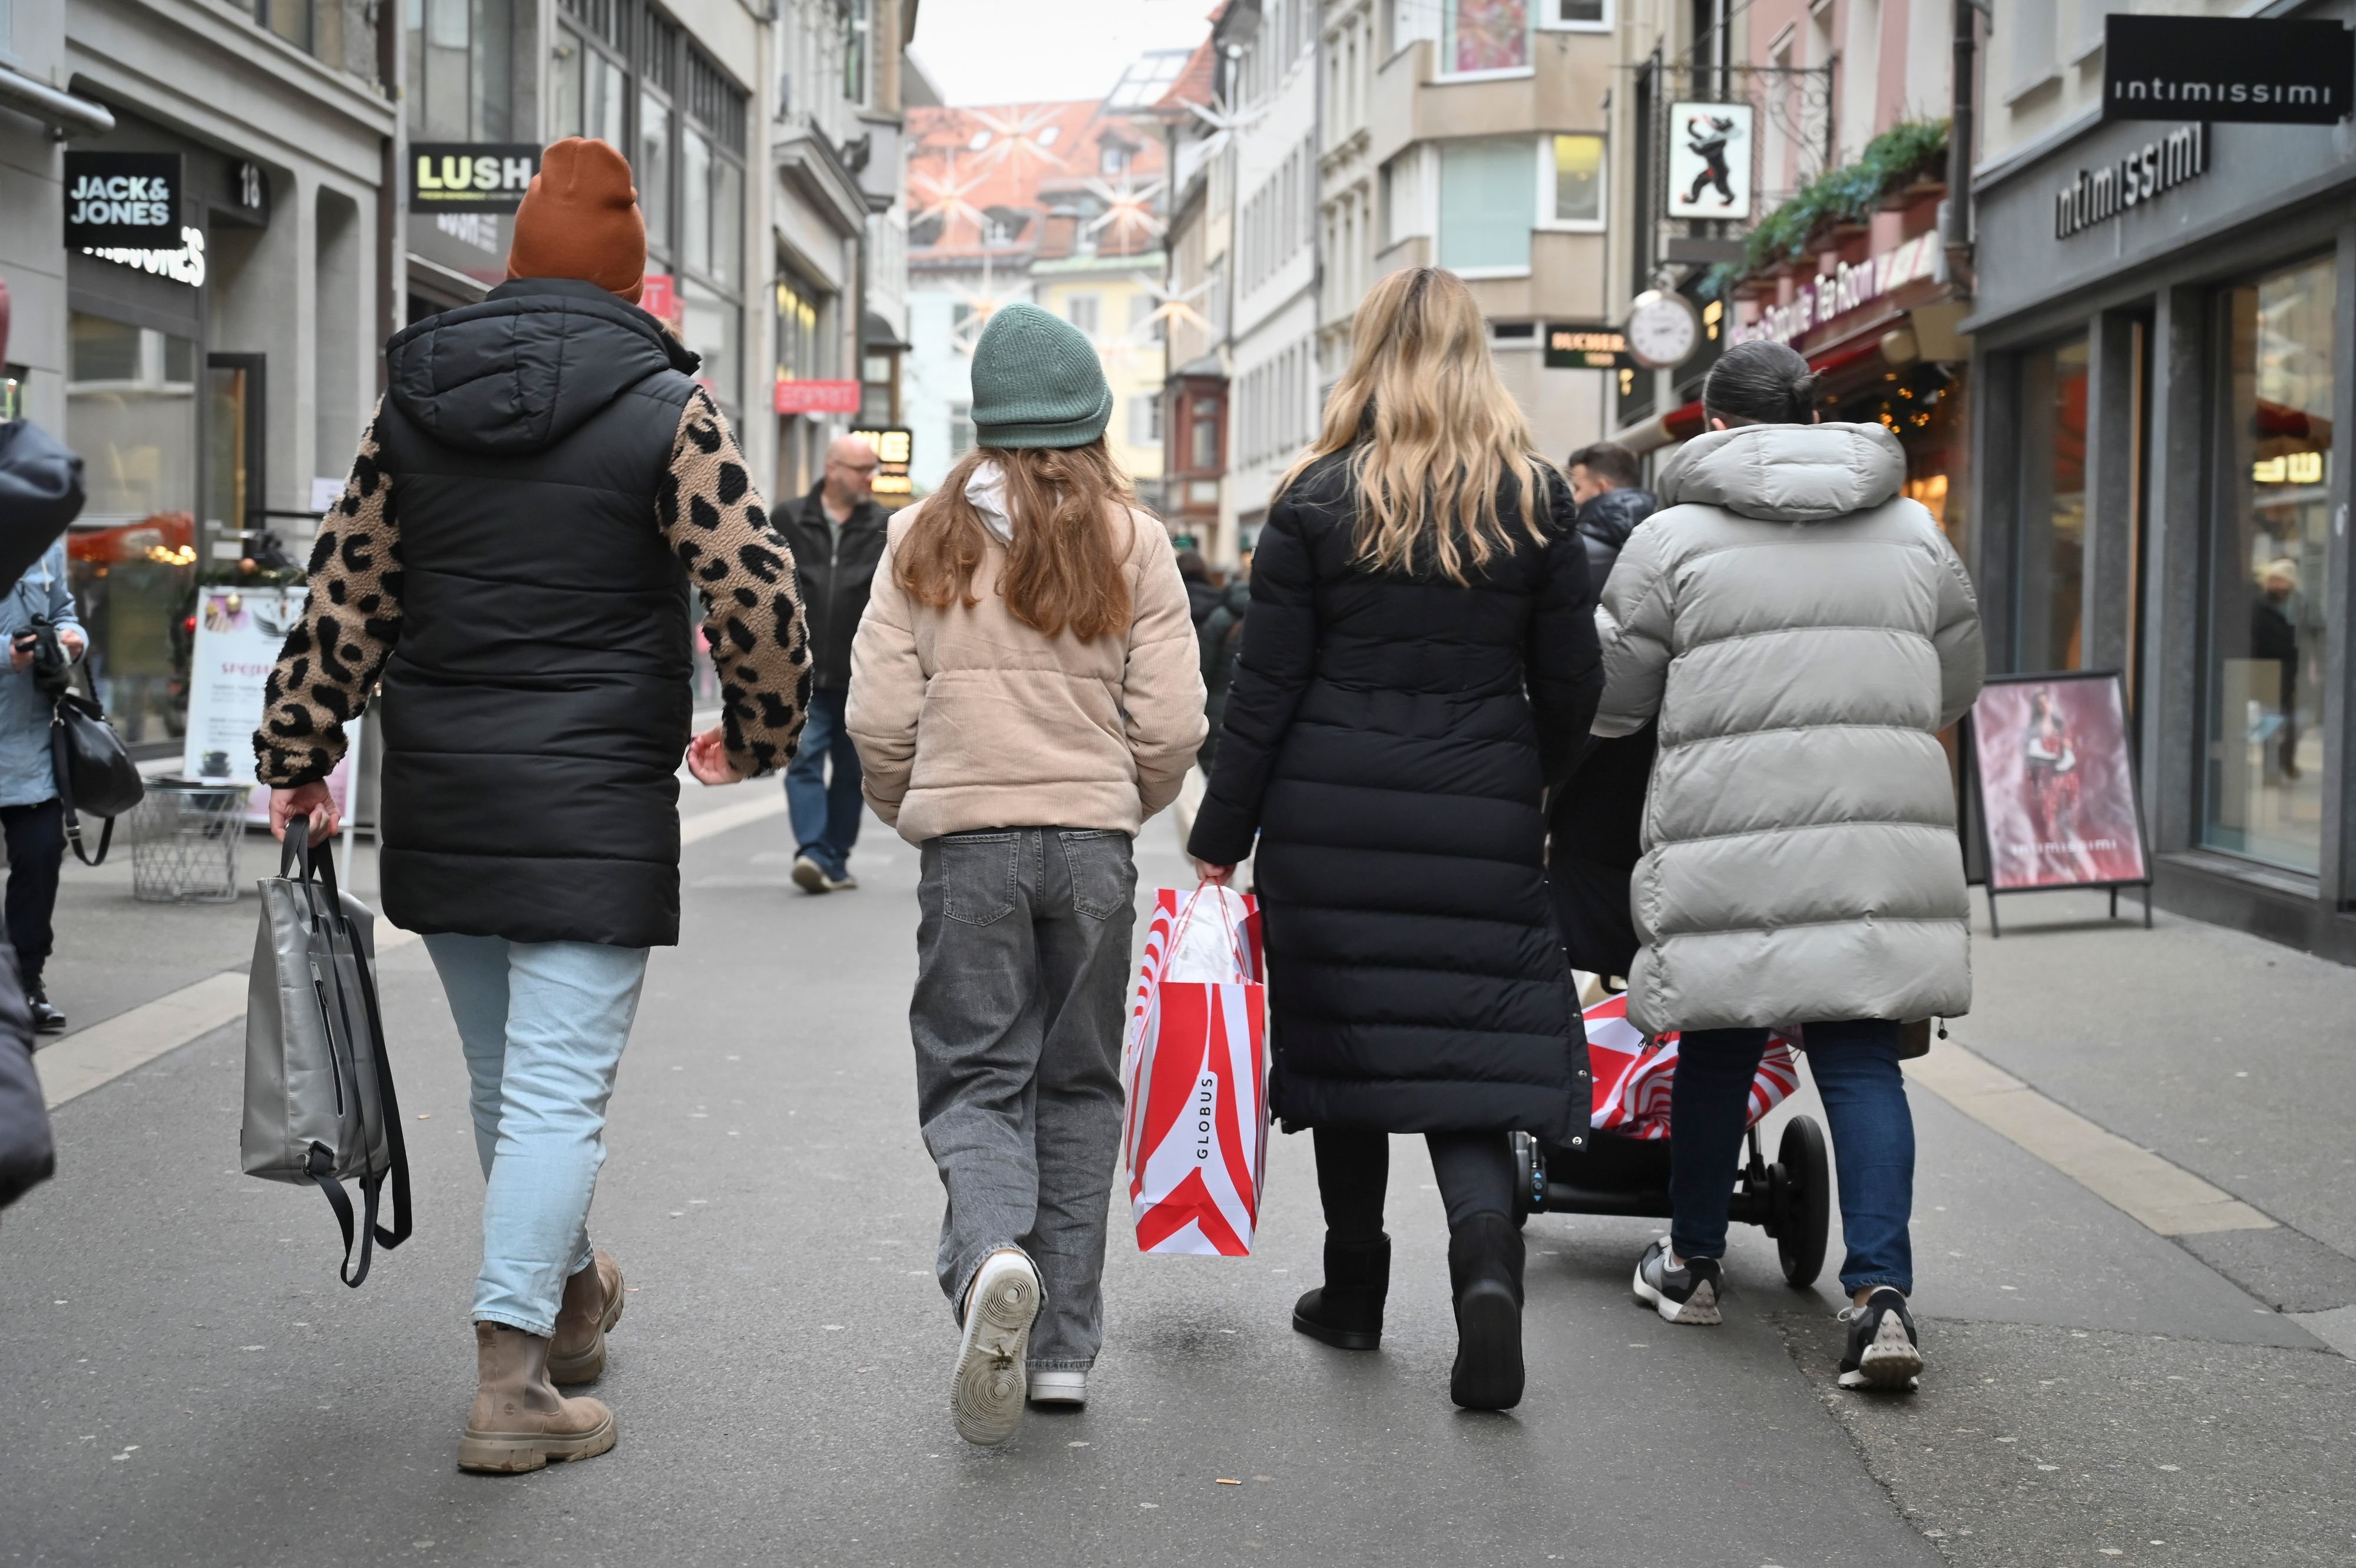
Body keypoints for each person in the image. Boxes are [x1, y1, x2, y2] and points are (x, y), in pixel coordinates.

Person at [254, 138, 810, 1473]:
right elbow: (756, 597)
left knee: (513, 1088)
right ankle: (510, 1379)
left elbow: (344, 597)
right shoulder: (670, 409)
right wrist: (755, 735)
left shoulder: (408, 409)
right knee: (555, 1093)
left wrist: (296, 754)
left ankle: (570, 1303)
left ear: (511, 267)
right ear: (630, 280)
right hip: (592, 801)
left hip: (443, 792)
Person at [1186, 266, 1602, 1412]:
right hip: (1477, 815)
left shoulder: (1316, 500)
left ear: (1366, 356)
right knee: (1467, 1069)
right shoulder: (1533, 501)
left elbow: (1259, 693)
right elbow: (1574, 683)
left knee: (1351, 1059)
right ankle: (1484, 1274)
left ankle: (1353, 1291)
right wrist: (1533, 785)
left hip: (1326, 820)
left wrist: (1220, 836)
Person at [1590, 338, 1983, 1392]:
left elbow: (1615, 700)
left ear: (1712, 425)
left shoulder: (1670, 537)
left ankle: (1694, 1263)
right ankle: (1881, 1295)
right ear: (1812, 417)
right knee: (1861, 1058)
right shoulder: (1913, 529)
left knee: (1719, 1047)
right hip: (1873, 830)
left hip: (1730, 830)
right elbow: (1953, 681)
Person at [848, 302, 1205, 1447]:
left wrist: (920, 807)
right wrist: (1122, 803)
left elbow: (877, 716)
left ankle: (995, 1256)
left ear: (983, 423)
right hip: (1093, 845)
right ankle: (1059, 1352)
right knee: (1079, 1084)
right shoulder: (1134, 541)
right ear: (1093, 420)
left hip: (971, 847)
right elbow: (1173, 721)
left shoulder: (922, 539)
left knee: (973, 1079)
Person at [1551, 442, 1660, 982]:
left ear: (1598, 486)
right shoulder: (1679, 543)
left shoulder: (1571, 552)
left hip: (1590, 764)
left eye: (1576, 484)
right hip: (1670, 768)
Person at [779, 433, 889, 892]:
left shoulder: (885, 524)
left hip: (861, 673)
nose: (869, 478)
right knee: (803, 759)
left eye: (872, 470)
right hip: (800, 670)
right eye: (862, 469)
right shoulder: (788, 518)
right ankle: (812, 851)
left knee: (850, 771)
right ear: (833, 468)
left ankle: (835, 860)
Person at [0, 541, 87, 1037]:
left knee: (39, 860)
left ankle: (25, 984)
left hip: (28, 743)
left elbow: (64, 612)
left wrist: (73, 638)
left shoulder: (45, 542)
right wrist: (5, 654)